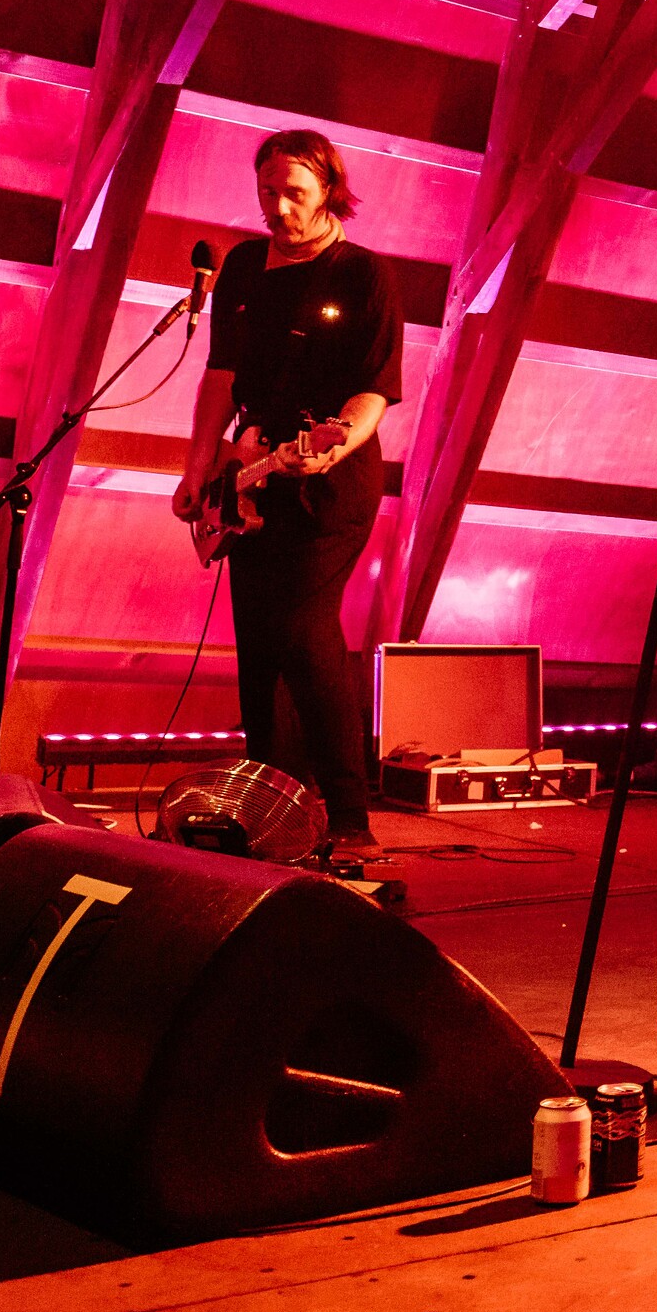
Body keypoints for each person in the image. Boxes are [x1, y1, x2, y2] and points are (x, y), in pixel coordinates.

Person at [171, 130, 401, 855]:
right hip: (250, 479)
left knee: (305, 632)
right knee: (261, 647)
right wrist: (197, 466)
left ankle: (352, 817)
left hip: (331, 487)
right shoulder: (243, 266)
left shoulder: (362, 274)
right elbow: (220, 376)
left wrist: (335, 448)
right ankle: (276, 809)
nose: (279, 208)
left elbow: (373, 392)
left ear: (330, 189)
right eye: (267, 192)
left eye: (295, 193)